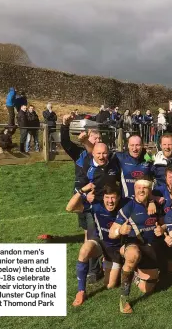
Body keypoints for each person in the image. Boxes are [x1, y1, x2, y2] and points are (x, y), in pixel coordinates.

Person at [109, 178, 164, 314]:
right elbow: (111, 233)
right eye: (138, 188)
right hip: (133, 244)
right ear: (134, 189)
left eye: (144, 188)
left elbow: (164, 223)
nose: (141, 190)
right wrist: (120, 231)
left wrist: (162, 229)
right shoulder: (128, 207)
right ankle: (124, 297)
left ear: (149, 191)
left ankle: (134, 274)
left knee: (147, 289)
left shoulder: (155, 206)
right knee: (133, 255)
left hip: (150, 247)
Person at [66, 184, 124, 306]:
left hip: (116, 249)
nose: (110, 201)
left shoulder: (125, 207)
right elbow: (69, 208)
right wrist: (82, 191)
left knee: (110, 285)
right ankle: (81, 291)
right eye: (107, 197)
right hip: (101, 244)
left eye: (113, 197)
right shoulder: (96, 206)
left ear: (118, 197)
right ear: (103, 197)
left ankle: (111, 264)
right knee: (85, 249)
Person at [61, 113, 102, 282]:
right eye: (95, 136)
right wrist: (64, 124)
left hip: (97, 199)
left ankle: (94, 268)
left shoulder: (101, 153)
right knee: (88, 232)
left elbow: (94, 153)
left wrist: (87, 141)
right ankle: (94, 268)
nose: (98, 138)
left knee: (92, 233)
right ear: (87, 136)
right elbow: (64, 143)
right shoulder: (79, 154)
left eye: (99, 136)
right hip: (81, 199)